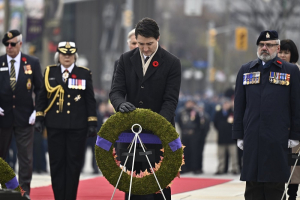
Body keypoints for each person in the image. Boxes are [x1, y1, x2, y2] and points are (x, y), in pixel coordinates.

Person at [110, 17, 181, 200]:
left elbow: (170, 100)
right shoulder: (125, 60)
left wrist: (155, 124)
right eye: (140, 44)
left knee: (157, 187)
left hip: (159, 134)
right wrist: (120, 104)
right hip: (130, 133)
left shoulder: (172, 63)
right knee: (133, 186)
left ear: (158, 38)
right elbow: (116, 91)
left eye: (149, 44)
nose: (145, 48)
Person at [233, 30, 300, 200]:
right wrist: (239, 134)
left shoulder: (290, 70)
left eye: (269, 45)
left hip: (277, 138)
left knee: (274, 187)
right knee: (252, 188)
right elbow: (239, 106)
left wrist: (295, 135)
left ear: (277, 48)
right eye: (261, 45)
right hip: (252, 138)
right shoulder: (246, 70)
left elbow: (296, 105)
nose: (265, 48)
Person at [34, 41, 98, 200]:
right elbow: (42, 97)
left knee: (73, 164)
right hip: (55, 125)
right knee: (56, 164)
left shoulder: (84, 73)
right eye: (64, 54)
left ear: (75, 56)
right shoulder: (50, 72)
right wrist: (39, 118)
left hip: (77, 127)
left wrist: (92, 123)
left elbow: (90, 100)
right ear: (58, 56)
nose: (67, 57)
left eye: (70, 54)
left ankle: (70, 197)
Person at [0, 30, 43, 197]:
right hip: (3, 117)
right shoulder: (0, 62)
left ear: (20, 44)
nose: (9, 47)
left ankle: (24, 191)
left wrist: (37, 111)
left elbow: (40, 89)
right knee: (1, 157)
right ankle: (5, 189)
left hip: (25, 117)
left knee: (25, 158)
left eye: (12, 44)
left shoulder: (31, 62)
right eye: (6, 44)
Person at [278, 39, 300, 200]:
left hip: (294, 126)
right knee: (278, 163)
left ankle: (292, 194)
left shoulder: (297, 71)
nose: (283, 55)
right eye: (281, 52)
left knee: (294, 164)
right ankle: (280, 193)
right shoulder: (273, 70)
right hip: (277, 125)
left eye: (286, 52)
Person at [214, 98, 239, 175]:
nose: (226, 105)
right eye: (224, 104)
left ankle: (235, 168)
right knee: (221, 155)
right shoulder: (218, 113)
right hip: (221, 137)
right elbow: (215, 123)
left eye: (227, 104)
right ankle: (221, 168)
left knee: (233, 155)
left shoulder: (233, 113)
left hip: (231, 138)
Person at [177, 100, 200, 173]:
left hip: (193, 134)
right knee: (184, 152)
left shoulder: (195, 112)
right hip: (185, 134)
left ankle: (194, 168)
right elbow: (179, 122)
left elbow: (198, 123)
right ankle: (184, 168)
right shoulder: (181, 112)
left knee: (194, 152)